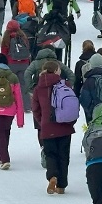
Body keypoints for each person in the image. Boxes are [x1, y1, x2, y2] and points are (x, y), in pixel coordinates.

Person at [31, 60, 77, 195]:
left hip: (47, 127)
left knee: (50, 154)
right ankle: (61, 186)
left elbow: (35, 109)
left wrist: (42, 122)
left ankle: (52, 177)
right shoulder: (65, 84)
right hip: (64, 126)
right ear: (56, 71)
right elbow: (71, 105)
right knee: (64, 156)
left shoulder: (38, 88)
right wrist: (71, 122)